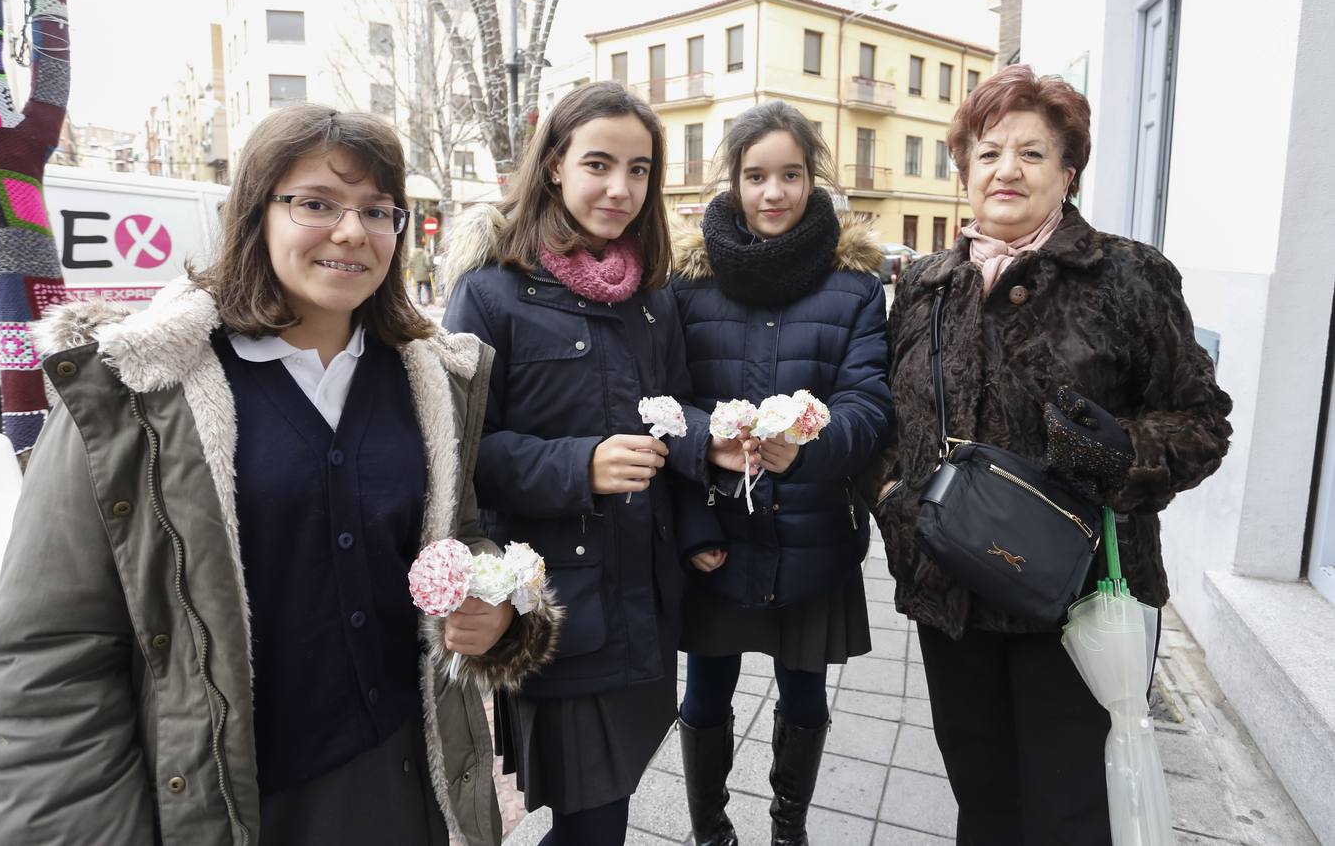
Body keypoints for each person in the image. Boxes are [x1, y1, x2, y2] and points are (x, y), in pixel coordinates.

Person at [0, 104, 560, 846]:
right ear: (255, 213)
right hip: (231, 801)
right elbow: (50, 656)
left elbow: (461, 535)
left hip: (402, 780)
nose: (352, 232)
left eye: (378, 211)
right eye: (317, 203)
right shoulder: (140, 393)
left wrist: (501, 608)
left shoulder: (433, 381)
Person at [878, 64, 1232, 845]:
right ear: (965, 170)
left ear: (1067, 174)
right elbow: (896, 422)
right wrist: (895, 500)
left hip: (1078, 603)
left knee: (1071, 814)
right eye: (988, 152)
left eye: (1032, 154)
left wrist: (1125, 450)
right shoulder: (928, 286)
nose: (1007, 169)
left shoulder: (1128, 277)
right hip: (953, 598)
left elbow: (1204, 423)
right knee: (984, 801)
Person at [440, 81, 736, 846]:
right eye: (599, 164)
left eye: (639, 170)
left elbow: (672, 408)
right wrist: (582, 465)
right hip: (560, 603)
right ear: (553, 167)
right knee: (593, 820)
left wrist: (704, 485)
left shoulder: (652, 296)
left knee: (614, 799)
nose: (620, 187)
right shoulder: (491, 292)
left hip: (647, 596)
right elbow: (461, 456)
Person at [669, 100, 894, 846]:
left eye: (790, 175)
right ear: (731, 181)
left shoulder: (855, 287)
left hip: (813, 534)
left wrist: (812, 444)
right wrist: (695, 513)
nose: (774, 193)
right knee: (705, 691)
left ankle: (787, 829)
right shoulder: (686, 287)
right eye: (756, 175)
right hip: (719, 535)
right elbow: (667, 409)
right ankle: (709, 832)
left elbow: (869, 403)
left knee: (804, 689)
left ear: (812, 180)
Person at [410, 241, 435, 305]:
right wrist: (430, 270)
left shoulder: (413, 255)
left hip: (417, 275)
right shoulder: (425, 254)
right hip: (425, 274)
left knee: (418, 288)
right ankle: (430, 301)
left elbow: (410, 264)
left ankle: (419, 301)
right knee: (429, 287)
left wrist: (413, 271)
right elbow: (428, 264)